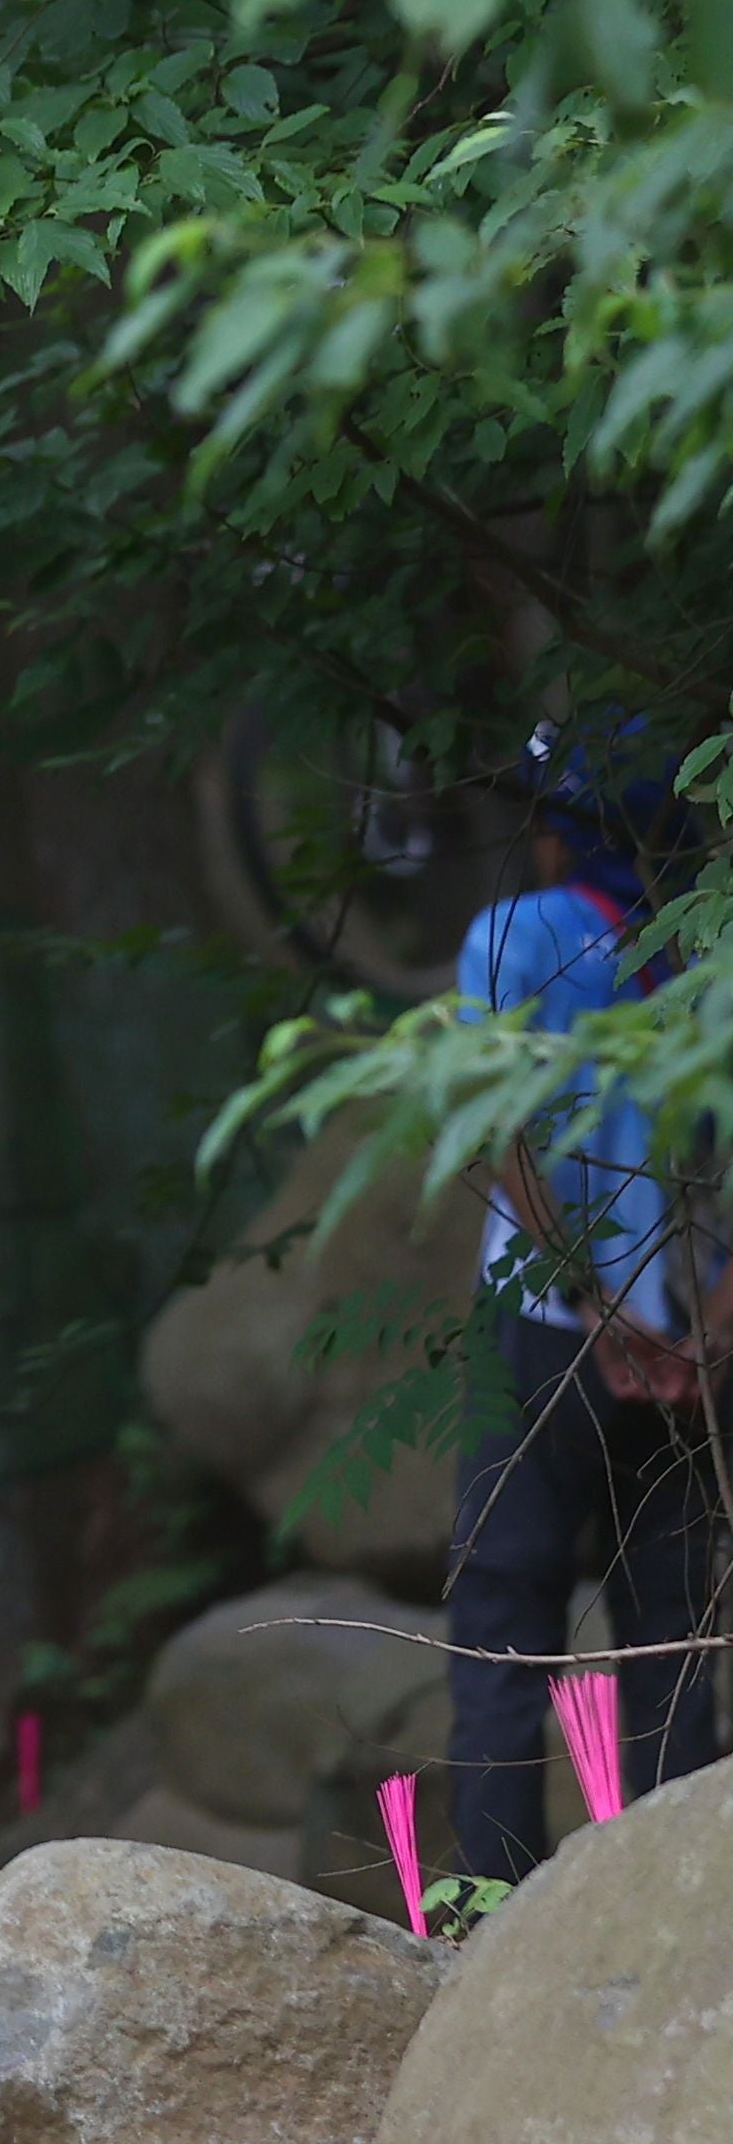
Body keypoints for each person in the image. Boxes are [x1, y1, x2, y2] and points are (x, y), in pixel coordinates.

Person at [444, 722, 727, 1879]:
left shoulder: (513, 935)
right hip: (688, 1353)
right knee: (670, 1650)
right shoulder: (709, 951)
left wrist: (589, 1304)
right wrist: (707, 1323)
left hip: (543, 1335)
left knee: (503, 1640)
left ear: (563, 830)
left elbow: (494, 1128)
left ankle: (483, 1935)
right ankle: (683, 1927)